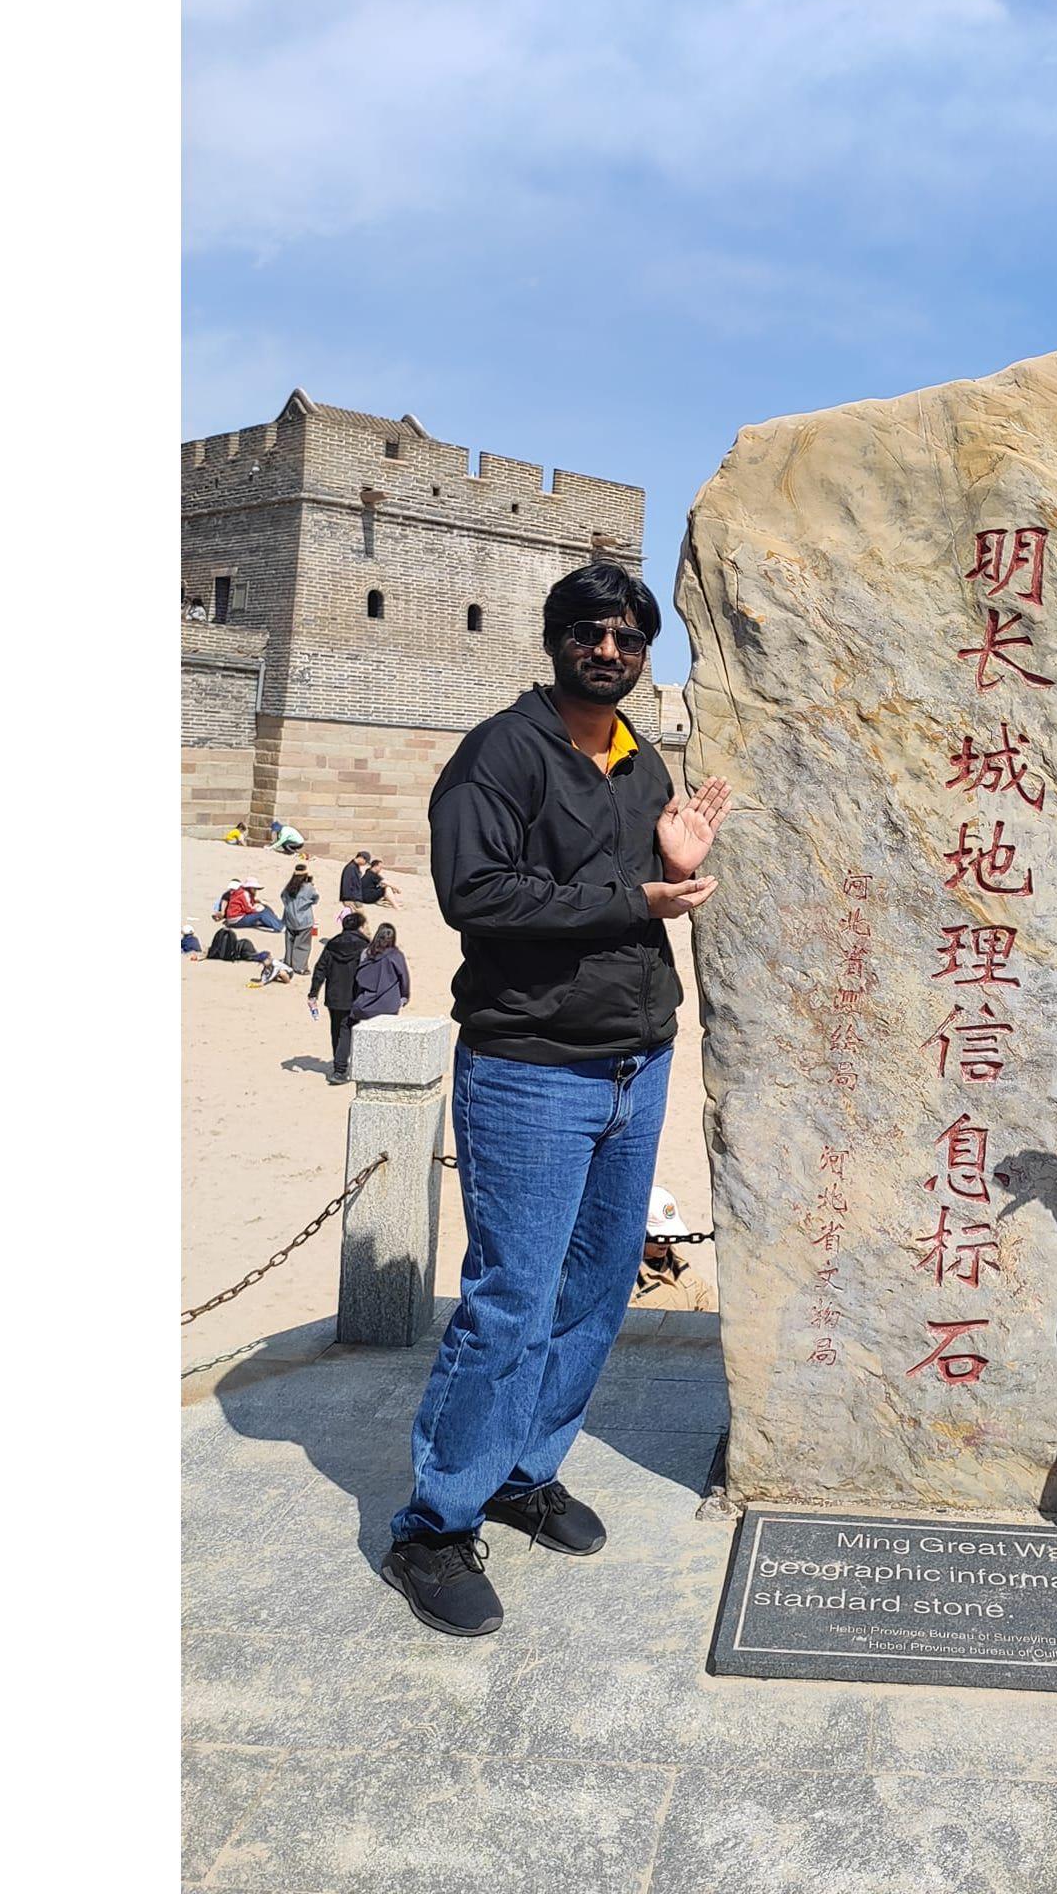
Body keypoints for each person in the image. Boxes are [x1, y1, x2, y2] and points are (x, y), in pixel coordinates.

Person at [382, 560, 732, 1642]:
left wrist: (664, 860)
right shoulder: (501, 752)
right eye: (590, 633)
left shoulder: (638, 761)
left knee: (591, 1291)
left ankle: (523, 1472)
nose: (610, 651)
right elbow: (475, 892)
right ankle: (433, 1524)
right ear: (553, 640)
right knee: (509, 1298)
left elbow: (634, 892)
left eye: (629, 637)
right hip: (531, 1067)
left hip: (636, 1060)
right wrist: (636, 892)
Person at [337, 921, 412, 1074]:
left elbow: (359, 978)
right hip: (389, 1006)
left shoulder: (366, 953)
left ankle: (342, 1067)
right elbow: (404, 978)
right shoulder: (396, 955)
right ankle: (383, 1068)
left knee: (348, 1027)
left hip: (366, 1005)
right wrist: (404, 998)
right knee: (386, 1038)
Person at [307, 911, 371, 1084]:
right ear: (359, 926)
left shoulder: (332, 944)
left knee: (337, 1029)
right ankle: (340, 1069)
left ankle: (339, 1064)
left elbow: (320, 969)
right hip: (355, 994)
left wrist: (313, 993)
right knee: (346, 1030)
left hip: (334, 995)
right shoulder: (365, 946)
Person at [280, 867, 319, 975]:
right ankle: (300, 967)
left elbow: (282, 896)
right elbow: (315, 898)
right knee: (303, 945)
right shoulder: (308, 887)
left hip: (290, 919)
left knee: (290, 943)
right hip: (304, 920)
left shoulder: (288, 887)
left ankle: (288, 963)